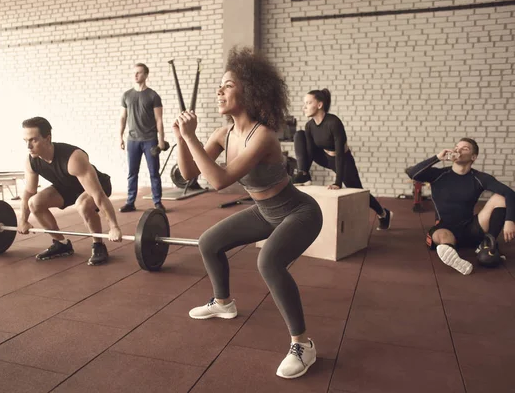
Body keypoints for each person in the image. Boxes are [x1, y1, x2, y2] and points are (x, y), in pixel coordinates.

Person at [174, 47, 323, 379]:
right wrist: (182, 138)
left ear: (250, 91)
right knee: (209, 242)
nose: (219, 90)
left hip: (299, 212)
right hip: (265, 211)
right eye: (221, 85)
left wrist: (189, 137)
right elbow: (187, 174)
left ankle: (303, 344)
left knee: (268, 262)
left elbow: (218, 180)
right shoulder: (223, 134)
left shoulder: (264, 136)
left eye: (228, 85)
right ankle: (223, 302)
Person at [18, 117, 122, 265]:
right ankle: (61, 244)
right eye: (25, 141)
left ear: (48, 138)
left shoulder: (73, 158)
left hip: (97, 187)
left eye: (33, 140)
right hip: (66, 187)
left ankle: (98, 244)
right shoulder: (31, 161)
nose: (28, 146)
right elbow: (29, 191)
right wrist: (23, 220)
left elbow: (98, 194)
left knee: (83, 204)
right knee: (34, 203)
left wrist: (114, 227)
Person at [406, 138, 515, 275]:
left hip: (471, 228)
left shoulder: (479, 178)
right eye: (456, 147)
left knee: (499, 198)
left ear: (473, 157)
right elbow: (412, 173)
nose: (458, 149)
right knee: (442, 235)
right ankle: (453, 256)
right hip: (445, 227)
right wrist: (438, 157)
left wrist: (510, 220)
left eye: (465, 148)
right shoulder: (438, 174)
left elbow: (510, 193)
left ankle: (486, 243)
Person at [292, 89, 392, 230]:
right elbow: (309, 151)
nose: (304, 107)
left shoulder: (334, 122)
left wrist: (338, 182)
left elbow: (340, 154)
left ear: (319, 105)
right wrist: (304, 172)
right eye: (304, 103)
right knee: (299, 135)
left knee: (357, 191)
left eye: (308, 103)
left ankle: (383, 213)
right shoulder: (309, 126)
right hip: (323, 157)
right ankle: (303, 174)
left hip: (342, 160)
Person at [119, 63, 167, 213]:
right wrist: (119, 136)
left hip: (150, 140)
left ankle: (157, 202)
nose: (136, 75)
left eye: (139, 73)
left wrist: (161, 140)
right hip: (132, 140)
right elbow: (122, 117)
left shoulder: (153, 96)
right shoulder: (127, 95)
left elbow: (159, 120)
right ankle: (130, 202)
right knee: (132, 173)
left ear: (146, 75)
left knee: (154, 172)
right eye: (134, 73)